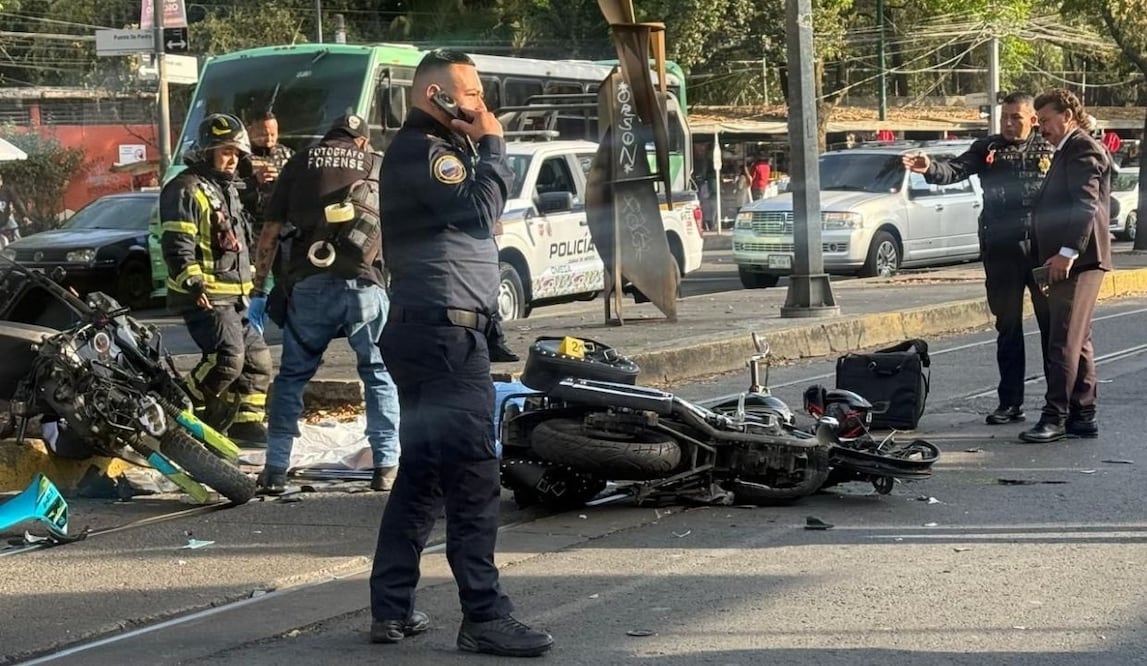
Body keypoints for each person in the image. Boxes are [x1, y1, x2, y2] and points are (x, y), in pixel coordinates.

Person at [368, 49, 553, 658]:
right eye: (470, 94)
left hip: (435, 333)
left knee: (422, 474)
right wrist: (495, 146)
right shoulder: (425, 151)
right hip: (444, 338)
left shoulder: (439, 153)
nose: (481, 105)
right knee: (473, 474)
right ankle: (485, 615)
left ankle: (390, 609)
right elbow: (479, 214)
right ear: (436, 96)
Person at [248, 113, 401, 495]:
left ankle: (277, 466)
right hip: (365, 283)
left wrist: (259, 288)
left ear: (329, 137)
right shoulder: (377, 164)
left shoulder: (300, 161)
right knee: (378, 372)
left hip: (309, 282)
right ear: (361, 141)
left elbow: (269, 233)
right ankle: (385, 465)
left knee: (293, 377)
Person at [902, 92, 1055, 426]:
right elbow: (954, 169)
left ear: (1032, 118)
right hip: (1001, 249)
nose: (1010, 124)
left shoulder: (1051, 146)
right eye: (1005, 118)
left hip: (1042, 250)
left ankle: (1057, 403)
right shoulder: (987, 149)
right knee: (1008, 327)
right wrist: (929, 168)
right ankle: (1010, 402)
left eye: (1017, 117)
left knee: (1051, 328)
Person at [160, 113, 271, 446]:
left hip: (235, 296)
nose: (233, 160)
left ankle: (245, 425)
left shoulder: (227, 190)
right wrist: (193, 281)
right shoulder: (184, 187)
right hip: (206, 294)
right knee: (226, 360)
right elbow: (177, 242)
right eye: (226, 152)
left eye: (237, 154)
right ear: (206, 151)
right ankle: (177, 411)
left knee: (258, 362)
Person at [1020, 89, 1113, 443]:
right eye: (1039, 121)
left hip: (1080, 260)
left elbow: (1085, 205)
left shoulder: (1081, 148)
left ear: (1068, 117)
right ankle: (1083, 412)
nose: (1041, 127)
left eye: (1045, 120)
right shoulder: (1068, 149)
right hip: (1075, 258)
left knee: (1062, 338)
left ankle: (1055, 415)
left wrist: (1067, 252)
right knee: (1078, 338)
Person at [239, 111, 294, 243]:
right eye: (263, 135)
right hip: (250, 225)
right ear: (250, 131)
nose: (269, 140)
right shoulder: (239, 157)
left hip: (282, 224)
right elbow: (229, 188)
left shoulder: (287, 154)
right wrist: (254, 181)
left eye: (273, 135)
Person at [0, 172, 29, 246]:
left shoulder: (6, 190)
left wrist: (24, 216)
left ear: (1, 181)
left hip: (6, 218)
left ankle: (20, 248)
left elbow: (17, 202)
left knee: (15, 234)